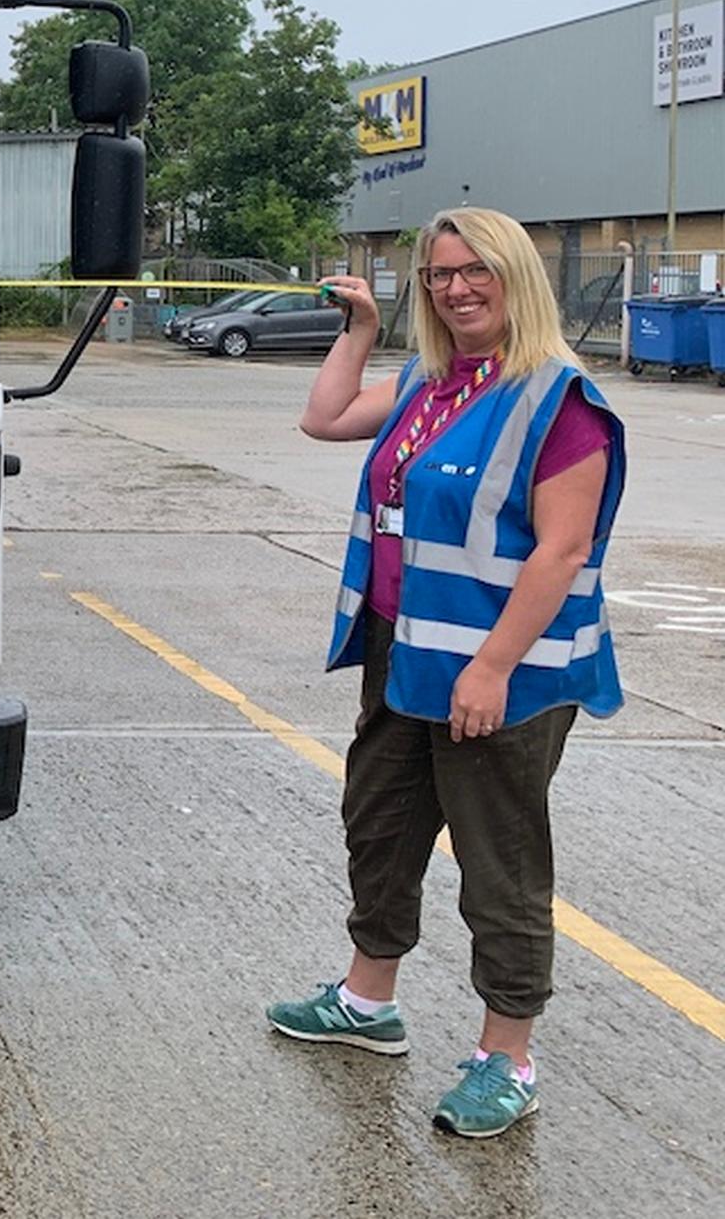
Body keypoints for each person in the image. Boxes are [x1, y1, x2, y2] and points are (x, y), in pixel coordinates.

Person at [266, 207, 625, 1139]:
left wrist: (491, 667)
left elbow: (562, 550)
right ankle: (365, 1002)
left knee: (496, 861)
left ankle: (506, 1056)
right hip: (403, 646)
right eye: (437, 275)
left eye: (475, 272)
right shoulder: (434, 379)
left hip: (500, 665)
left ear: (515, 277)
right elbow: (324, 418)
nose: (455, 288)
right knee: (378, 822)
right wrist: (358, 329)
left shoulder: (559, 399)